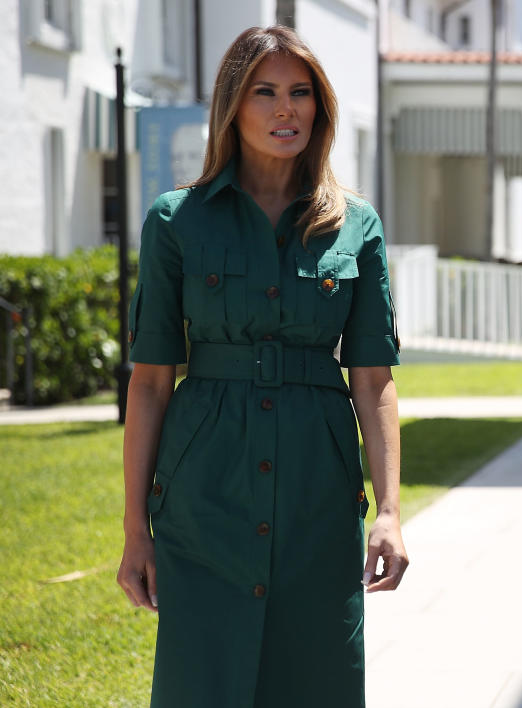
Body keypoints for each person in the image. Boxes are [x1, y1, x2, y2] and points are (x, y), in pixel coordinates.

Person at [116, 26, 407, 707]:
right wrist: (136, 531)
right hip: (202, 490)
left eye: (301, 93)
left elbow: (374, 379)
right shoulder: (175, 220)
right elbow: (152, 381)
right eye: (265, 93)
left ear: (320, 108)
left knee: (317, 681)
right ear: (232, 107)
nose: (286, 111)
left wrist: (390, 510)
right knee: (201, 684)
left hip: (319, 490)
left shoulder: (356, 226)